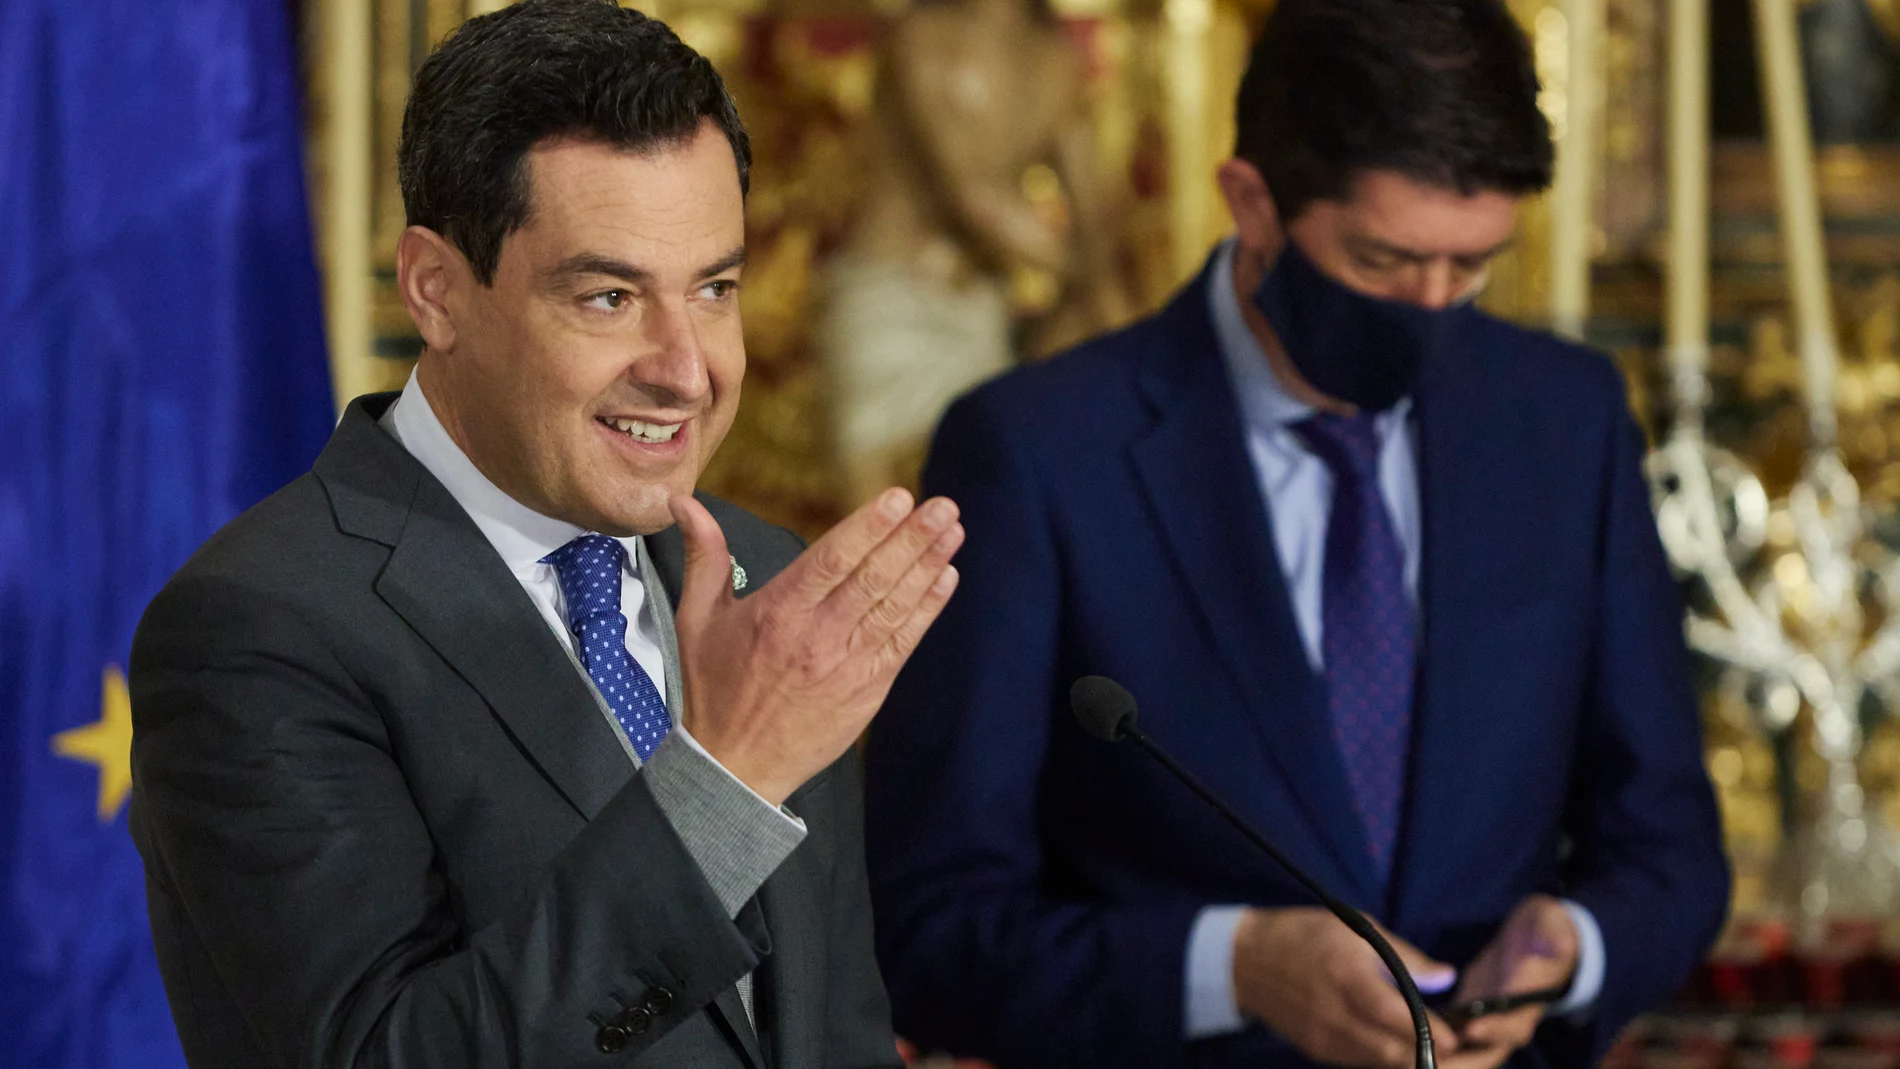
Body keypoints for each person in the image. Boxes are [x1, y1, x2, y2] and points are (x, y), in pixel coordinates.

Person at [862, 1, 1730, 1067]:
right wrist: (1233, 965)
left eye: (1470, 268)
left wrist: (1579, 947)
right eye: (1381, 262)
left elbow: (1670, 849)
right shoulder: (1037, 453)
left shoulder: (1565, 418)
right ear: (1252, 203)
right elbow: (926, 929)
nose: (1431, 308)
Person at [128, 3, 961, 1065]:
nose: (686, 367)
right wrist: (726, 782)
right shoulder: (258, 627)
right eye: (609, 297)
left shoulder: (767, 583)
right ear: (436, 290)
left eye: (714, 288)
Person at [819, 0, 1127, 507]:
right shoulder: (922, 39)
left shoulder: (1055, 63)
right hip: (892, 303)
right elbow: (970, 195)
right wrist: (1079, 275)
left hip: (981, 309)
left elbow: (1094, 219)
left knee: (977, 520)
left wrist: (1111, 318)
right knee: (875, 531)